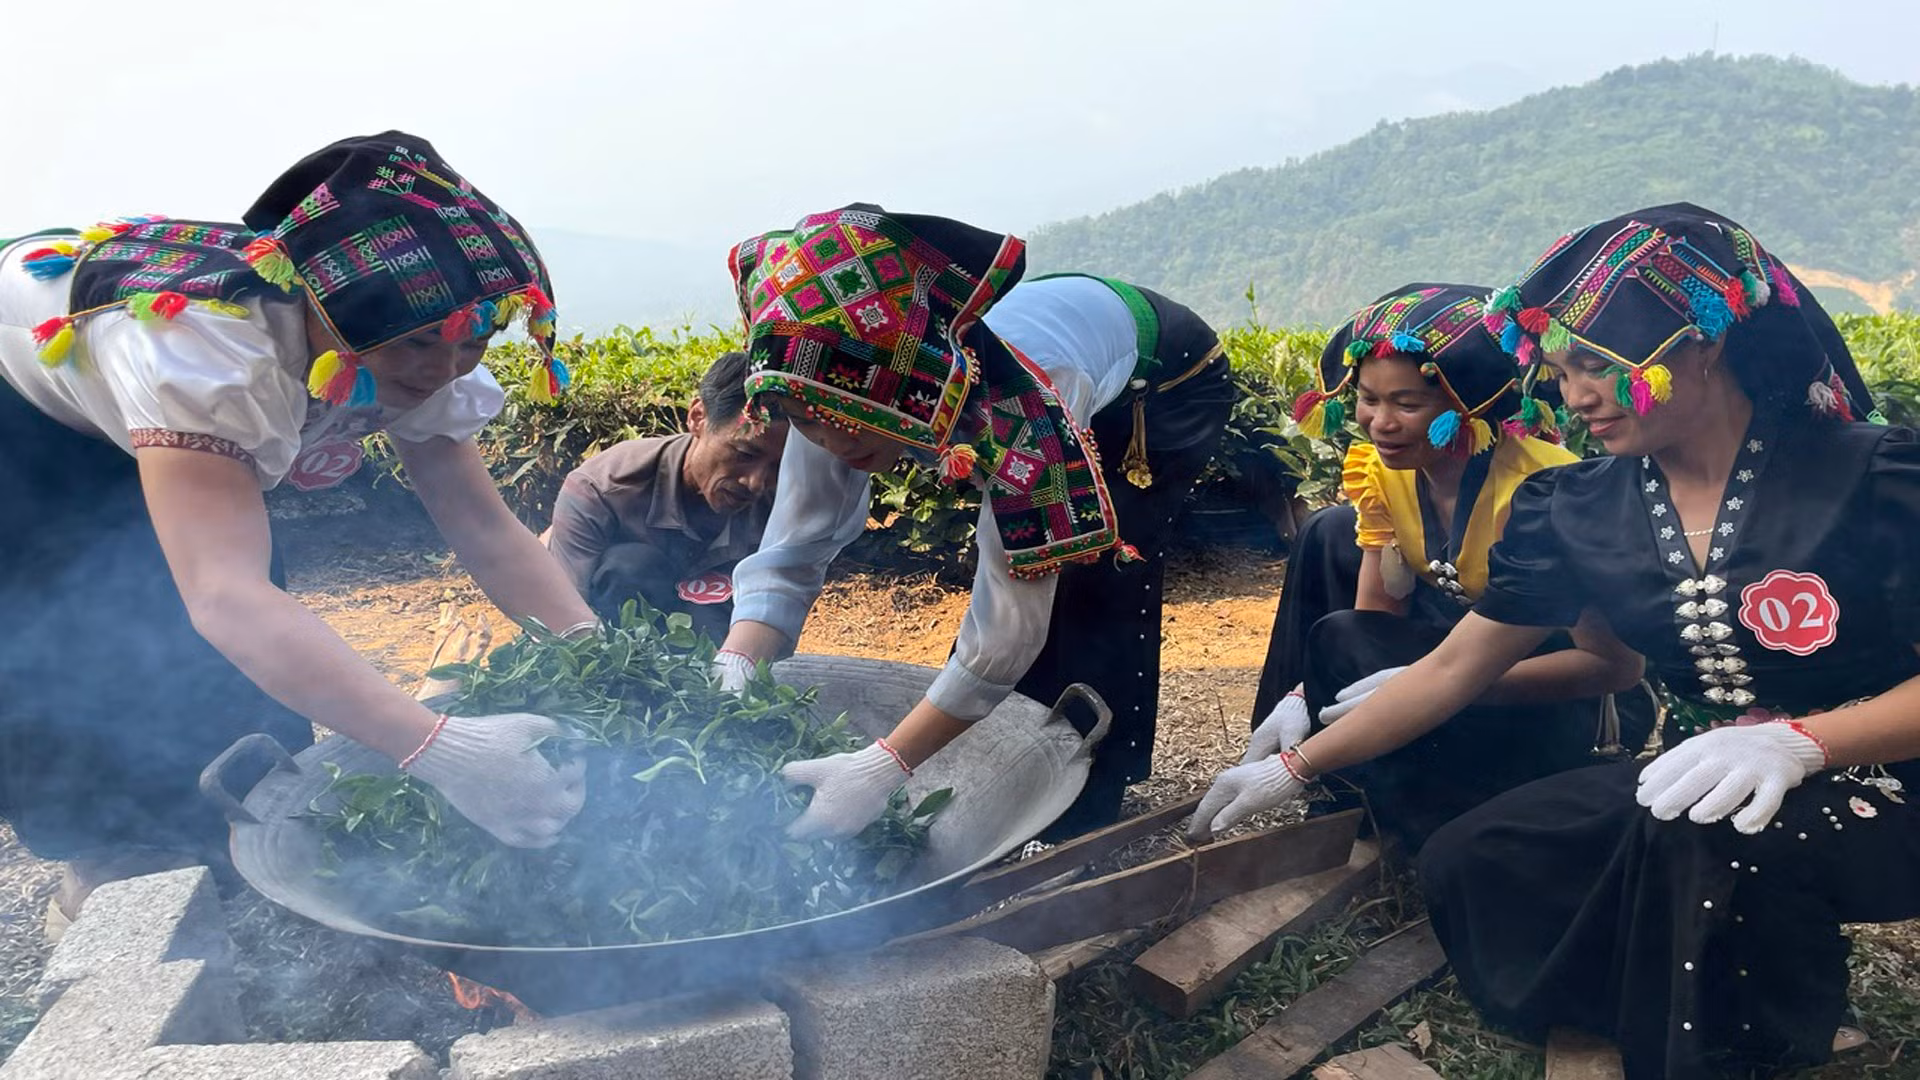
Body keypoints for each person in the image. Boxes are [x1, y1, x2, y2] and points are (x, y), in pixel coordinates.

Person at [1192, 203, 1902, 1079]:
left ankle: (1758, 1030)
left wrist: (1803, 741)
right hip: (1689, 769)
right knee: (1472, 861)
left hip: (1882, 775)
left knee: (1698, 836)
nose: (1577, 398)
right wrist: (1295, 765)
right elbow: (1455, 665)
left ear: (1705, 343)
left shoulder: (1871, 475)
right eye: (1563, 373)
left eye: (1600, 366)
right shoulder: (1588, 506)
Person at [0, 132, 594, 928]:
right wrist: (433, 747)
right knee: (55, 626)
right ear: (322, 305)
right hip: (27, 418)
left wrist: (592, 650)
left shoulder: (436, 337)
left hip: (155, 411)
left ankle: (246, 831)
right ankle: (104, 865)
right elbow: (225, 595)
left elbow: (485, 531)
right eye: (418, 343)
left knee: (232, 634)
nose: (444, 368)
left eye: (473, 343)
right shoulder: (208, 352)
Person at [710, 204, 1235, 841]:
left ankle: (1090, 793)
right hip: (1057, 326)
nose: (826, 441)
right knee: (1033, 604)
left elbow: (1005, 630)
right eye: (803, 419)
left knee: (1094, 578)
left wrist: (881, 768)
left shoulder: (1023, 416)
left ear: (907, 391)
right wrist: (735, 668)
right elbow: (795, 548)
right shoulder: (820, 381)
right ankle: (1001, 755)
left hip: (1166, 381)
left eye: (845, 420)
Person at [1243, 284, 1646, 850]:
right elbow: (1370, 626)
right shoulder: (1384, 472)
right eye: (1368, 399)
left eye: (1407, 405)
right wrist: (1304, 694)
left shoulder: (1541, 490)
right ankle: (1370, 806)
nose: (1380, 423)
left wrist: (1446, 687)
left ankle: (1432, 828)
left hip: (1559, 700)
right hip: (1458, 672)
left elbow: (1614, 669)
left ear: (1472, 405)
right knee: (1339, 633)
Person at [544, 349, 787, 638]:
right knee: (630, 567)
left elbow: (777, 606)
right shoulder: (602, 489)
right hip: (610, 639)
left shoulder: (783, 500)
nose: (756, 483)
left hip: (711, 635)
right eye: (744, 454)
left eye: (778, 466)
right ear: (698, 417)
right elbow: (562, 614)